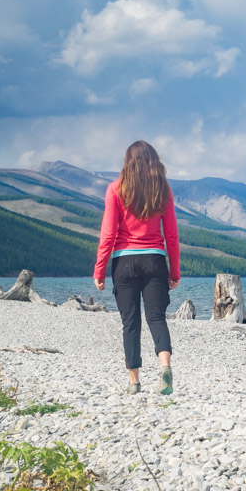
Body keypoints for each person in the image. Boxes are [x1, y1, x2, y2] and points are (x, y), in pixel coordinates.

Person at [93, 140, 180, 395]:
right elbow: (171, 236)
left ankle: (134, 381)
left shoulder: (115, 189)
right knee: (156, 318)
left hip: (124, 262)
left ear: (127, 162)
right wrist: (174, 271)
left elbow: (108, 234)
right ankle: (165, 366)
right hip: (155, 260)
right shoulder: (163, 190)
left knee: (130, 322)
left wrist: (99, 271)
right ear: (154, 161)